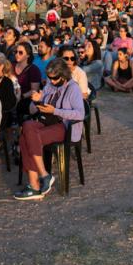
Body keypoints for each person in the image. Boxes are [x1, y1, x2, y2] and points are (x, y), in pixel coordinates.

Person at [13, 58, 85, 201]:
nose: (51, 81)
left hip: (64, 126)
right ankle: (44, 176)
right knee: (27, 127)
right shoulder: (50, 86)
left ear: (64, 75)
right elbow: (33, 111)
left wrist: (56, 111)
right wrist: (37, 100)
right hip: (46, 122)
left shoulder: (73, 88)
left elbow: (80, 114)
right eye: (50, 78)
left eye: (55, 78)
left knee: (25, 138)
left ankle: (34, 185)